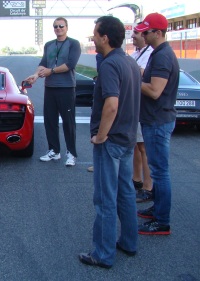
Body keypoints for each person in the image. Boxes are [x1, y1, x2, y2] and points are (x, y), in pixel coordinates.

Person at [78, 16, 141, 269]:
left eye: (95, 33)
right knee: (126, 193)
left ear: (105, 37)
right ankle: (129, 242)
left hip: (111, 141)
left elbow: (111, 105)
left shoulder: (109, 65)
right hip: (127, 139)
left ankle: (102, 255)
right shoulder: (130, 62)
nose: (93, 37)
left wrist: (100, 136)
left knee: (105, 199)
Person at [134, 13, 179, 235]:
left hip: (158, 121)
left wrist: (135, 79)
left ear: (158, 33)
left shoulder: (162, 56)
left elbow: (154, 90)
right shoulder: (158, 53)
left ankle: (162, 221)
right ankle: (157, 209)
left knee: (160, 172)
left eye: (146, 31)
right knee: (157, 169)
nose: (142, 34)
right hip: (155, 120)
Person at [25, 17, 81, 167]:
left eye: (61, 26)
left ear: (66, 27)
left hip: (66, 88)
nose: (58, 28)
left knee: (68, 123)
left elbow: (70, 64)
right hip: (50, 88)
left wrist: (52, 71)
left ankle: (71, 154)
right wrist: (36, 75)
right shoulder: (49, 45)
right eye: (55, 26)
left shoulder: (73, 44)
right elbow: (43, 63)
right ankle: (54, 151)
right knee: (50, 121)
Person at [129, 25, 154, 203]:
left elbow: (141, 73)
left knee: (144, 147)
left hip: (144, 106)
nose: (133, 36)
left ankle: (148, 186)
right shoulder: (136, 53)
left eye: (136, 34)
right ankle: (136, 180)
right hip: (135, 104)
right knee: (136, 145)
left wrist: (129, 69)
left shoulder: (150, 53)